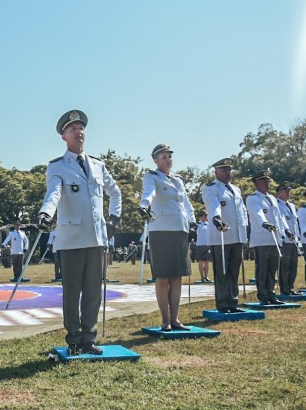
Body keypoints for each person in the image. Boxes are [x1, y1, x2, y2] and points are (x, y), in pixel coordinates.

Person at [37, 109, 121, 355]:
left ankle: (89, 338)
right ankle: (74, 339)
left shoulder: (98, 165)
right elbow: (54, 193)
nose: (78, 131)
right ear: (63, 136)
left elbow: (115, 191)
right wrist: (46, 213)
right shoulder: (57, 167)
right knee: (72, 292)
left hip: (96, 237)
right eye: (72, 128)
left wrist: (114, 216)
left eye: (81, 127)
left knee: (94, 290)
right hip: (71, 238)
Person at [138, 144, 196, 330]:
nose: (167, 159)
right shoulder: (152, 176)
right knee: (163, 278)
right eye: (163, 157)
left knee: (177, 277)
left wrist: (192, 222)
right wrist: (144, 205)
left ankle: (175, 319)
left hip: (180, 229)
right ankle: (165, 320)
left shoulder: (178, 180)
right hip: (161, 230)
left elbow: (186, 203)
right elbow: (149, 193)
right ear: (156, 160)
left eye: (169, 156)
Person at [202, 158, 249, 313]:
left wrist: (245, 230)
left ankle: (233, 302)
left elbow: (242, 211)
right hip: (221, 235)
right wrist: (216, 218)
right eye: (224, 170)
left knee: (234, 270)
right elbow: (213, 205)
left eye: (229, 169)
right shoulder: (211, 188)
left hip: (236, 235)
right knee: (222, 271)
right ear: (216, 172)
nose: (228, 173)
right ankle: (223, 303)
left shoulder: (236, 189)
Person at [245, 170, 287, 305]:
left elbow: (278, 217)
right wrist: (264, 223)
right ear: (257, 183)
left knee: (272, 268)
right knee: (262, 268)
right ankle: (262, 294)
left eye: (268, 181)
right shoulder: (252, 198)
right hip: (261, 237)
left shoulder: (273, 198)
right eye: (264, 181)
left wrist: (283, 232)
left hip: (275, 238)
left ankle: (271, 293)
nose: (267, 183)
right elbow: (257, 213)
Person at [195, 211, 212, 282]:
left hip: (207, 244)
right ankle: (202, 277)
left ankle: (206, 276)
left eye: (206, 215)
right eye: (204, 215)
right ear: (201, 216)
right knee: (201, 261)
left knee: (207, 261)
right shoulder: (198, 224)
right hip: (200, 245)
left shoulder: (209, 224)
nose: (205, 217)